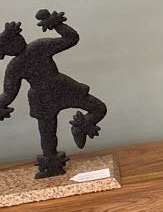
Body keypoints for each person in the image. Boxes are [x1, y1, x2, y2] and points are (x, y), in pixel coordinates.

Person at [0, 10, 107, 178]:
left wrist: (57, 24)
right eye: (9, 42)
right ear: (5, 51)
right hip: (45, 96)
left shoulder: (38, 47)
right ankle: (51, 164)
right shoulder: (17, 65)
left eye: (15, 37)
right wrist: (1, 104)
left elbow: (71, 39)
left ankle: (81, 126)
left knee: (98, 108)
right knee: (47, 134)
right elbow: (9, 92)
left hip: (60, 88)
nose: (15, 42)